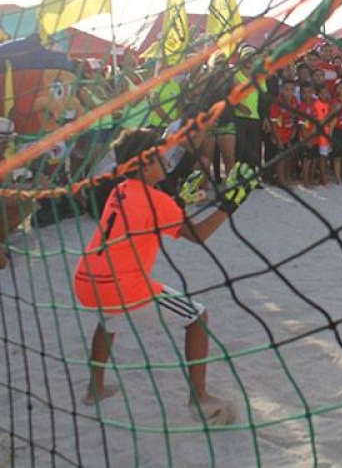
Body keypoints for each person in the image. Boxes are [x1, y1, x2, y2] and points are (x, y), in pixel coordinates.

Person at [73, 129, 258, 425]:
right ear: (145, 165)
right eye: (159, 157)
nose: (166, 160)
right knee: (197, 318)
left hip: (86, 280)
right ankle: (199, 398)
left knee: (109, 319)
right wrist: (230, 204)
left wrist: (179, 202)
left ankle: (94, 389)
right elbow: (198, 235)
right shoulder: (157, 201)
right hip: (121, 285)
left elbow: (150, 217)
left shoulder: (120, 190)